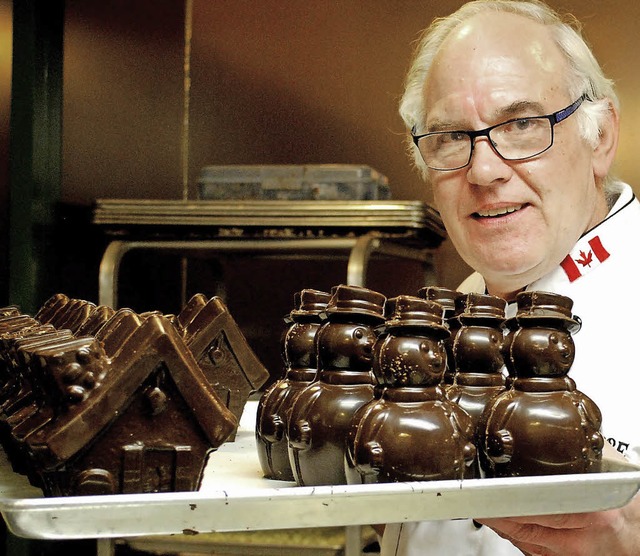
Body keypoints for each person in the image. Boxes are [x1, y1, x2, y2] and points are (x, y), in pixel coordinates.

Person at [381, 0, 640, 554]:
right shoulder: (453, 320)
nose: (484, 170)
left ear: (601, 137)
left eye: (522, 124)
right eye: (450, 136)